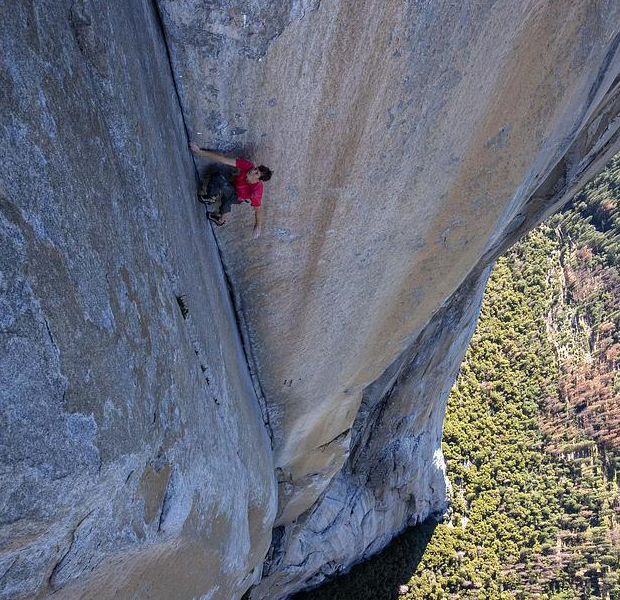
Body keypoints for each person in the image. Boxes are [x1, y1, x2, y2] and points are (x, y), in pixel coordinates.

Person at [189, 142, 272, 238]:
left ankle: (211, 199)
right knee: (226, 197)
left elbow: (258, 210)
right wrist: (200, 152)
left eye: (256, 173)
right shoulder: (247, 166)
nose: (253, 170)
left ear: (258, 180)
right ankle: (221, 220)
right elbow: (223, 160)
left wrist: (258, 226)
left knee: (220, 181)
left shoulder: (256, 191)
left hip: (238, 197)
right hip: (233, 186)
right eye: (256, 168)